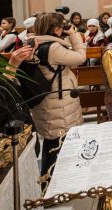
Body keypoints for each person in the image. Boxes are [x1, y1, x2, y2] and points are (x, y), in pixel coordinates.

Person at [31, 12, 86, 176]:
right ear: (56, 29)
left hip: (51, 101)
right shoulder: (53, 48)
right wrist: (74, 35)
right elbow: (80, 57)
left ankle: (53, 181)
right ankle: (49, 184)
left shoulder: (38, 43)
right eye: (62, 28)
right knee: (55, 145)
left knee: (54, 143)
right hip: (58, 104)